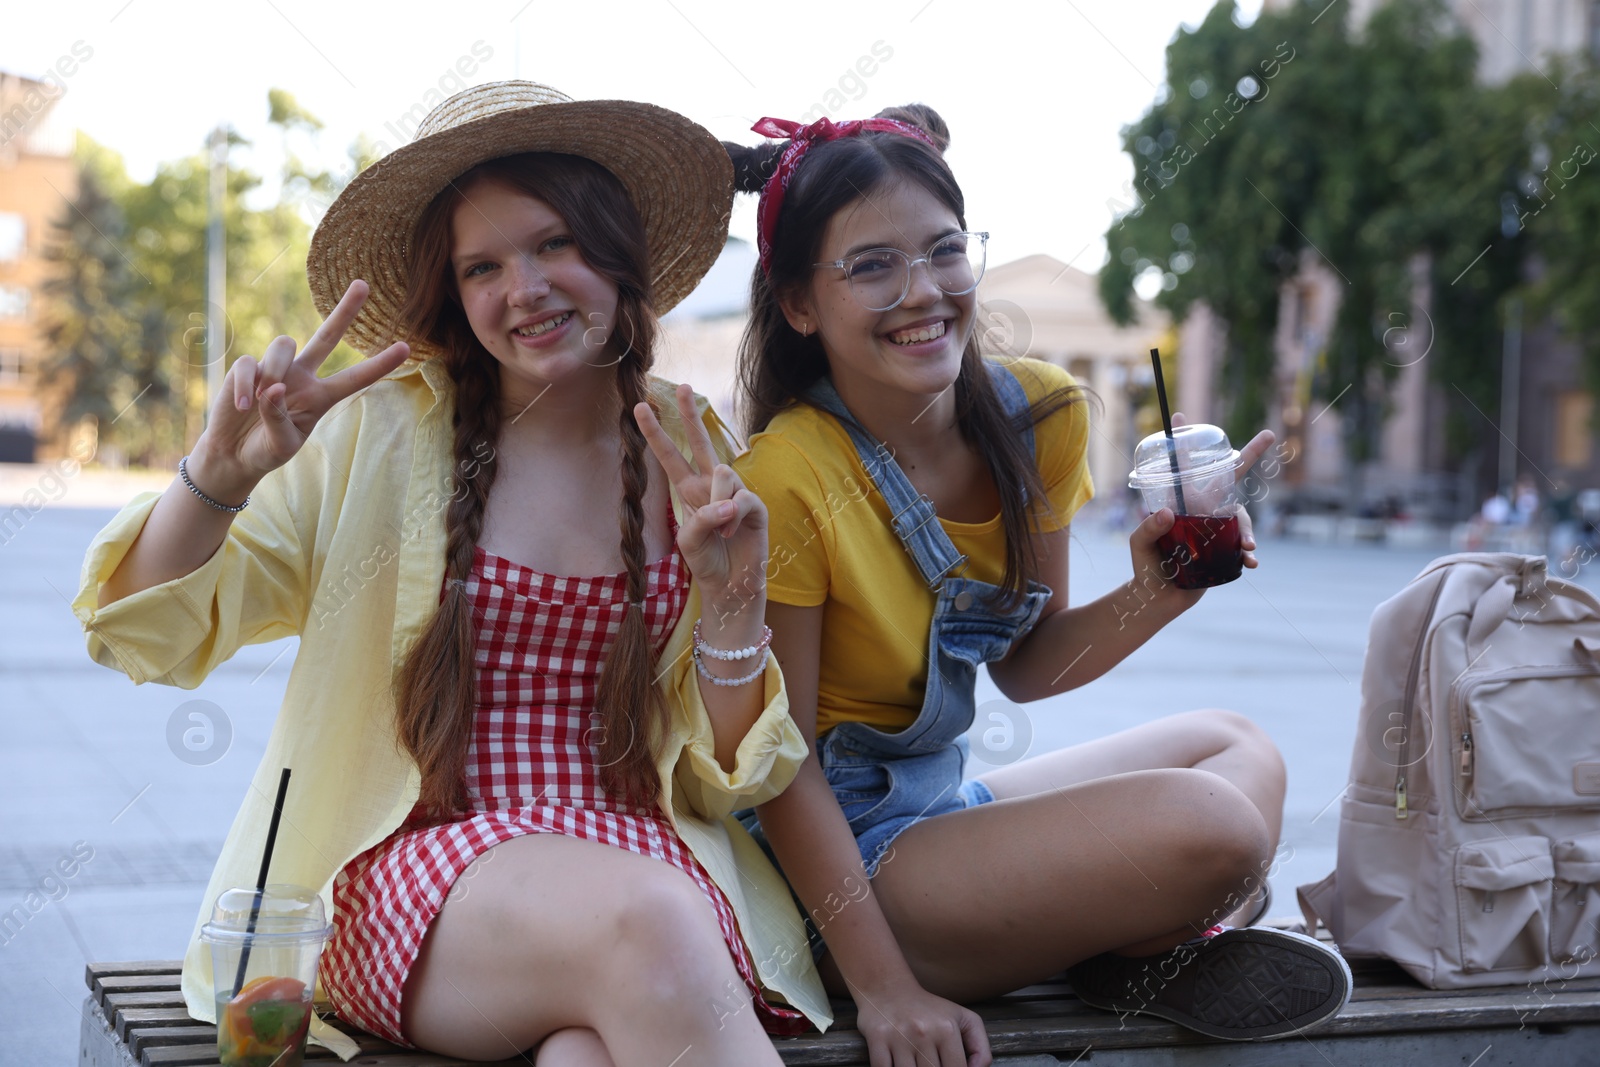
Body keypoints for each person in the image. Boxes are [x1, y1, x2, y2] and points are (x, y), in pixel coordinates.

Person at [72, 81, 830, 1066]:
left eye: (555, 241)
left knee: (582, 1052)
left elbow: (732, 776)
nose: (524, 288)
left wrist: (729, 606)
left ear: (618, 250)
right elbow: (146, 628)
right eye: (483, 265)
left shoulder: (691, 440)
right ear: (451, 292)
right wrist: (213, 482)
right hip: (421, 880)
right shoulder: (378, 435)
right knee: (646, 922)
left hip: (646, 867)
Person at [722, 107, 1353, 1064]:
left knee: (1239, 745)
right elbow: (779, 765)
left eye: (943, 252)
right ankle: (1136, 934)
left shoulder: (1038, 415)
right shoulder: (790, 474)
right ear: (800, 304)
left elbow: (1027, 666)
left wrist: (1163, 587)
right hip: (838, 874)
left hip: (943, 815)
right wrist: (885, 988)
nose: (922, 291)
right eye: (871, 265)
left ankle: (1122, 944)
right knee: (1220, 831)